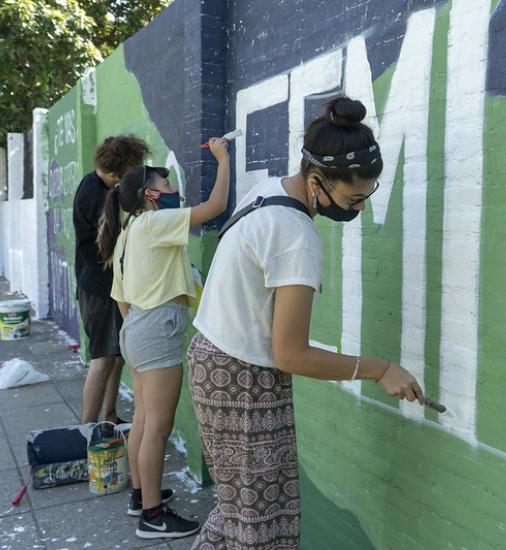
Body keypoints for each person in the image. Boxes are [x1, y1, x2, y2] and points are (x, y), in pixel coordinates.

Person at [187, 96, 425, 549]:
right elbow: (291, 354)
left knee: (235, 513)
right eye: (352, 198)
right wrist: (379, 368)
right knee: (262, 527)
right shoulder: (296, 235)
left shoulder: (268, 189)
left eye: (366, 196)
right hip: (243, 380)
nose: (357, 209)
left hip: (212, 361)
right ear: (317, 180)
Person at [96, 138, 231, 539]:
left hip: (136, 326)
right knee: (157, 425)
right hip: (157, 328)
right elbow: (216, 207)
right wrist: (223, 161)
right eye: (169, 188)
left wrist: (145, 325)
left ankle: (141, 496)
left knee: (142, 419)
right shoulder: (154, 222)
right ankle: (153, 517)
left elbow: (120, 299)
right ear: (151, 195)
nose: (177, 194)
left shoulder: (128, 231)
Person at [73, 135, 149, 425]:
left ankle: (109, 416)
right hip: (99, 290)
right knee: (103, 358)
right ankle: (88, 429)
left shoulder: (96, 184)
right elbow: (104, 250)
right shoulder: (95, 196)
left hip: (101, 287)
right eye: (133, 168)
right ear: (118, 171)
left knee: (114, 356)